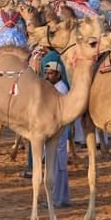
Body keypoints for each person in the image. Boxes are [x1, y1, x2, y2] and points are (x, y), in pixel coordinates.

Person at [44, 61, 71, 208]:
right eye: (47, 73)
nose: (48, 76)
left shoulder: (61, 88)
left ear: (58, 74)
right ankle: (61, 198)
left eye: (51, 73)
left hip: (58, 130)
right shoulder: (54, 87)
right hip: (53, 131)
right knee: (54, 165)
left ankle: (57, 199)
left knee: (58, 166)